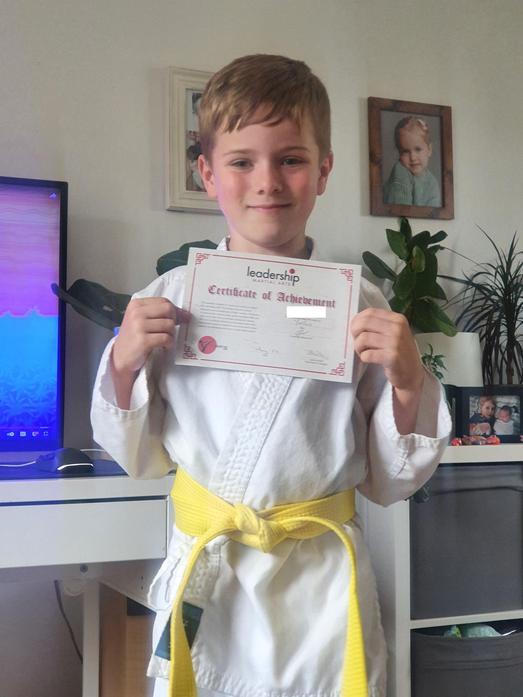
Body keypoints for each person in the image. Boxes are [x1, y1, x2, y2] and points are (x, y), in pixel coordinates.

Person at [91, 54, 451, 697]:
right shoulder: (169, 298)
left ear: (323, 171)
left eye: (290, 159)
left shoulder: (361, 305)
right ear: (207, 173)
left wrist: (407, 381)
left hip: (319, 592)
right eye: (241, 162)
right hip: (214, 573)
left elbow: (389, 479)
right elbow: (139, 458)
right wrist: (124, 363)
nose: (267, 182)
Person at [383, 116, 441, 207]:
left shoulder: (432, 183)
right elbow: (401, 210)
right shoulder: (400, 171)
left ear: (429, 149)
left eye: (418, 149)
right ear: (399, 153)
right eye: (405, 151)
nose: (413, 158)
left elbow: (434, 211)